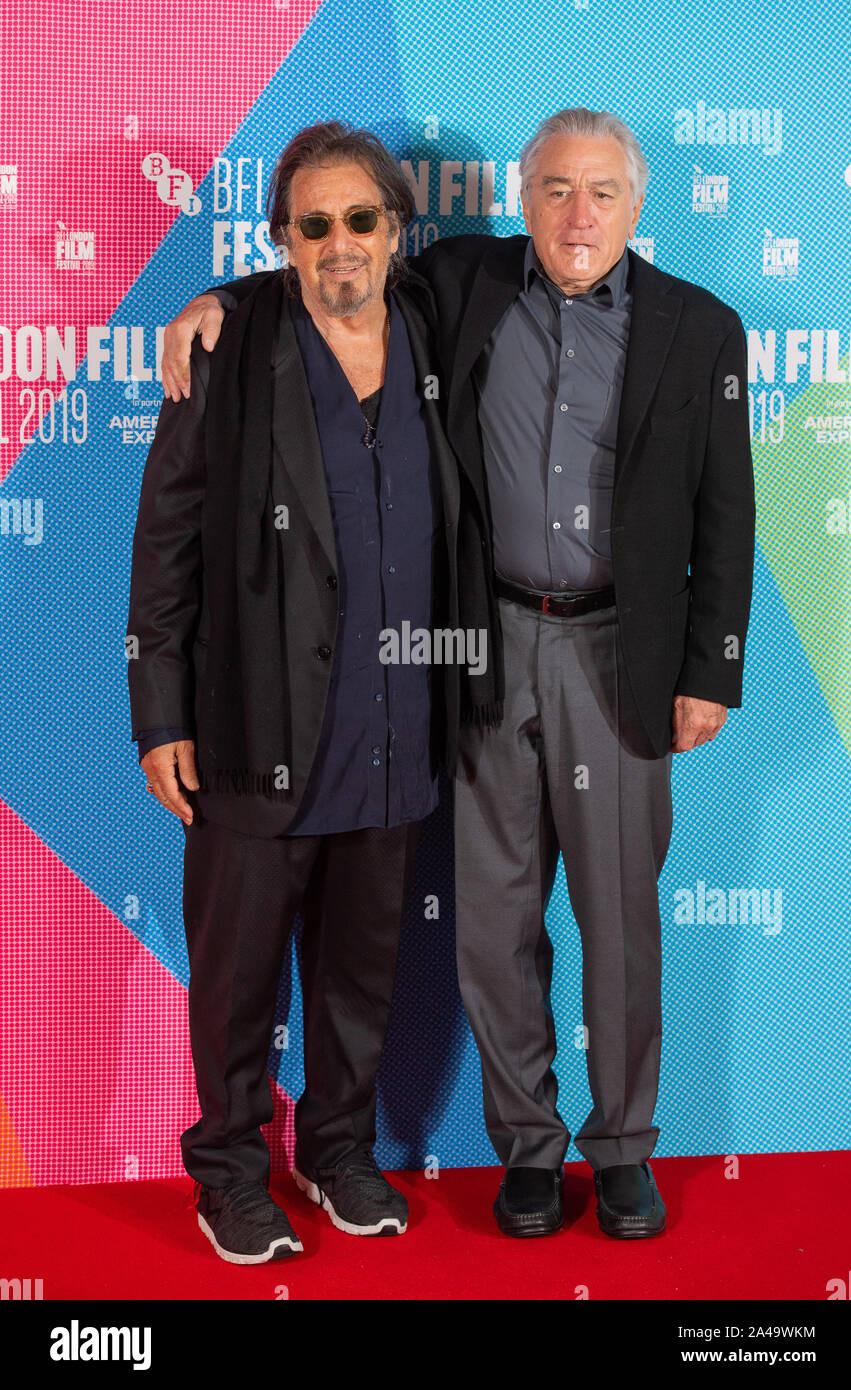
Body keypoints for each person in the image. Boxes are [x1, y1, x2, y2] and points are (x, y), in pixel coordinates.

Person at [160, 107, 755, 1242]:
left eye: (601, 194)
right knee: (490, 923)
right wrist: (217, 302)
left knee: (619, 921)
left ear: (638, 206)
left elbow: (725, 513)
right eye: (553, 191)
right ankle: (527, 1152)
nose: (576, 216)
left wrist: (708, 670)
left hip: (620, 651)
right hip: (477, 646)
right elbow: (331, 271)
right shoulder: (464, 285)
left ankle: (622, 1152)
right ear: (521, 201)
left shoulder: (700, 329)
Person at [127, 121, 501, 1264]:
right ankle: (230, 1170)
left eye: (360, 220)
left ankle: (337, 1152)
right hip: (252, 731)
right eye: (312, 224)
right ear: (281, 238)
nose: (339, 245)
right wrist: (161, 714)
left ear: (395, 229)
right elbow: (168, 538)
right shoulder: (228, 346)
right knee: (237, 979)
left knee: (357, 973)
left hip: (395, 733)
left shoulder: (431, 322)